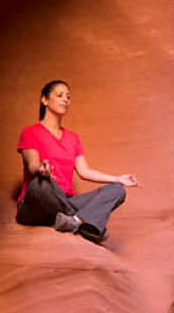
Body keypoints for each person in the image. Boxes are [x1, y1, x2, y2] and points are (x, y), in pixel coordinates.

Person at [16, 80, 142, 244]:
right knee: (42, 184)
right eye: (59, 95)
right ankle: (84, 223)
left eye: (68, 97)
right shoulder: (31, 132)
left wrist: (118, 178)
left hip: (64, 204)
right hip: (36, 204)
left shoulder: (72, 138)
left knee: (117, 190)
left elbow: (85, 172)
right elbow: (32, 164)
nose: (65, 100)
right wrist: (41, 170)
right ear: (44, 100)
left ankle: (74, 221)